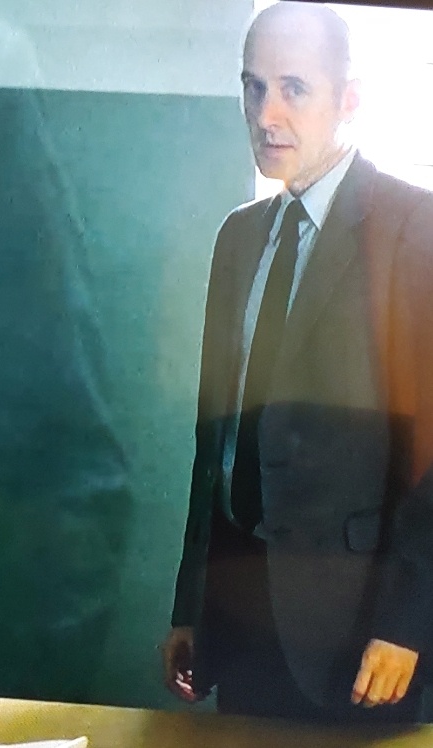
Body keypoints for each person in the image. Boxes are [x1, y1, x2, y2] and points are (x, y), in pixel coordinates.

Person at [162, 1, 433, 723]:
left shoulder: (416, 227)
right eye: (252, 87)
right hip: (238, 622)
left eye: (293, 89)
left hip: (360, 636)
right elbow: (216, 445)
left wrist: (409, 622)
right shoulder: (239, 237)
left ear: (349, 100)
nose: (266, 113)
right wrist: (191, 605)